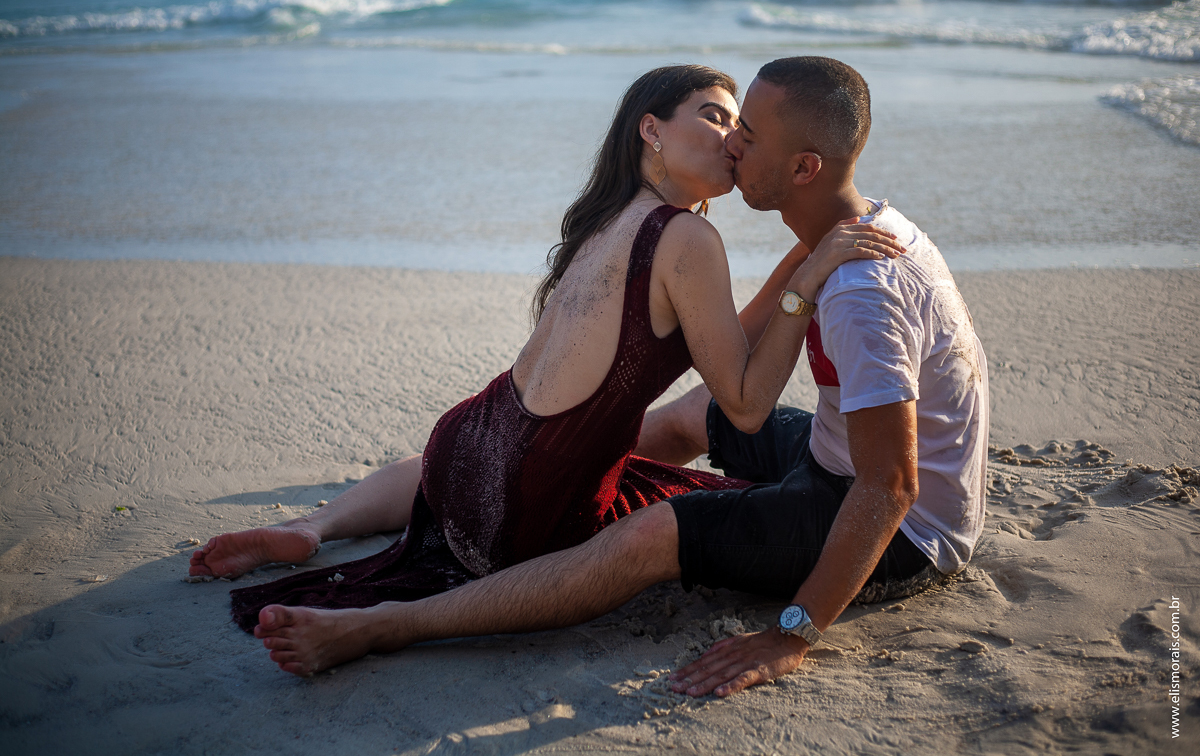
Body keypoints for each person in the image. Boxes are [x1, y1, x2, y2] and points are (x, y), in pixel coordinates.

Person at [250, 56, 990, 695]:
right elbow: (749, 372)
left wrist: (791, 634)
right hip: (830, 461)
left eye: (749, 133)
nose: (734, 141)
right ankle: (351, 551)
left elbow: (890, 486)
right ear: (651, 129)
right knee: (680, 422)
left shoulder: (856, 288)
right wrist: (801, 276)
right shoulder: (828, 238)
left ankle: (382, 616)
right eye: (724, 121)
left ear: (802, 167)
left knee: (646, 534)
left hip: (900, 529)